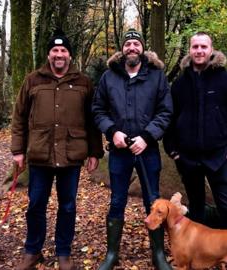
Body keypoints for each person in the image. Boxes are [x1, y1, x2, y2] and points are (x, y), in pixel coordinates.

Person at [11, 29, 104, 270]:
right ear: (49, 54)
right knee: (35, 204)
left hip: (71, 156)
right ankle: (32, 251)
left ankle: (64, 252)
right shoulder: (33, 80)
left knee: (68, 205)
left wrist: (95, 152)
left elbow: (93, 120)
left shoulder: (84, 82)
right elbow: (19, 117)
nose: (59, 54)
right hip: (40, 154)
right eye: (55, 50)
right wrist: (17, 150)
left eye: (63, 51)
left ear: (70, 56)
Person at [92, 29, 173, 270]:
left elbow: (165, 111)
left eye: (136, 44)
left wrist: (147, 136)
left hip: (147, 150)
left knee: (153, 201)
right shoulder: (109, 77)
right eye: (128, 44)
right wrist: (112, 131)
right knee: (117, 201)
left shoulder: (156, 76)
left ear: (142, 48)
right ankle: (111, 254)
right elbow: (98, 110)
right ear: (122, 49)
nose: (132, 48)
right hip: (119, 152)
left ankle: (158, 255)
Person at [163, 32, 227, 231]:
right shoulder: (180, 83)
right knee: (196, 210)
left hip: (219, 156)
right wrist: (173, 150)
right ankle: (200, 252)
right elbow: (169, 118)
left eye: (204, 47)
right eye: (195, 47)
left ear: (211, 50)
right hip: (188, 158)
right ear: (189, 50)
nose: (199, 51)